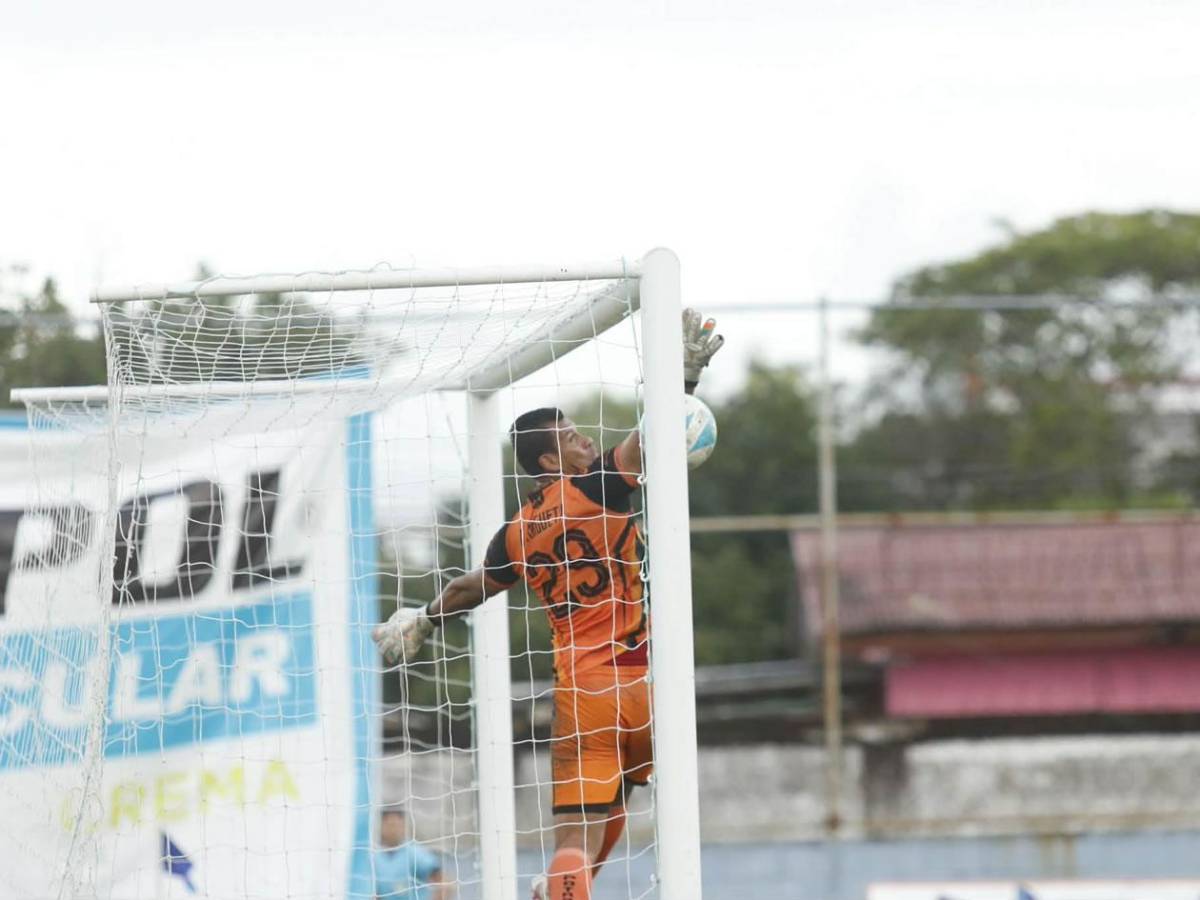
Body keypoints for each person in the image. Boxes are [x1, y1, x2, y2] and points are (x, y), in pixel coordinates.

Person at [374, 310, 724, 900]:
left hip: (585, 691)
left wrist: (423, 618)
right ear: (548, 462)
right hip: (647, 681)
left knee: (575, 835)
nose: (585, 440)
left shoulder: (515, 534)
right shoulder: (598, 487)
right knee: (618, 799)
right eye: (570, 437)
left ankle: (558, 887)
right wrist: (683, 377)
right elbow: (656, 435)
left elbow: (471, 588)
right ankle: (559, 890)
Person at [373, 806, 454, 900]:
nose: (393, 830)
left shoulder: (414, 853)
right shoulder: (374, 856)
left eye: (397, 825)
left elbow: (444, 882)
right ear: (381, 826)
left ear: (403, 827)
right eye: (390, 825)